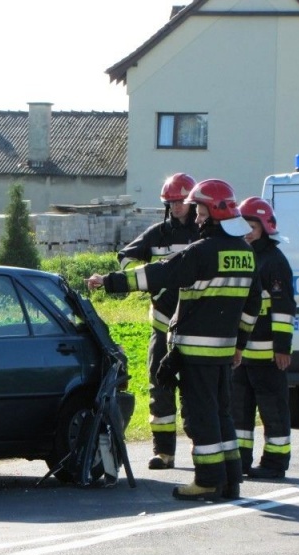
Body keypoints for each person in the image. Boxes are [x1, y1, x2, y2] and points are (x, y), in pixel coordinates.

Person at [87, 179, 261, 501]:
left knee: (200, 417)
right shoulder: (246, 253)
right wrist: (239, 345)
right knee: (222, 414)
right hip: (223, 353)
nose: (196, 217)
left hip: (195, 352)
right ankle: (229, 480)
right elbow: (253, 307)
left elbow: (158, 274)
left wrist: (107, 282)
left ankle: (208, 480)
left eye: (200, 210)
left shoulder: (202, 251)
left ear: (214, 212)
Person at [115, 173, 199, 470]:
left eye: (180, 202)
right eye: (171, 202)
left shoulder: (204, 234)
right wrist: (150, 281)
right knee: (159, 389)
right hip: (162, 327)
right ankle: (163, 452)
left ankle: (201, 451)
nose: (176, 207)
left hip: (194, 329)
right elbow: (124, 258)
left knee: (195, 391)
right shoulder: (157, 234)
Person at [233, 197, 296, 479]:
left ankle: (275, 462)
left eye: (252, 225)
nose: (247, 230)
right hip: (241, 354)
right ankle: (240, 460)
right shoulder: (241, 256)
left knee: (273, 411)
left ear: (265, 227)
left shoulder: (274, 261)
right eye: (243, 224)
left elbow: (283, 309)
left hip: (269, 355)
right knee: (239, 411)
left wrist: (282, 348)